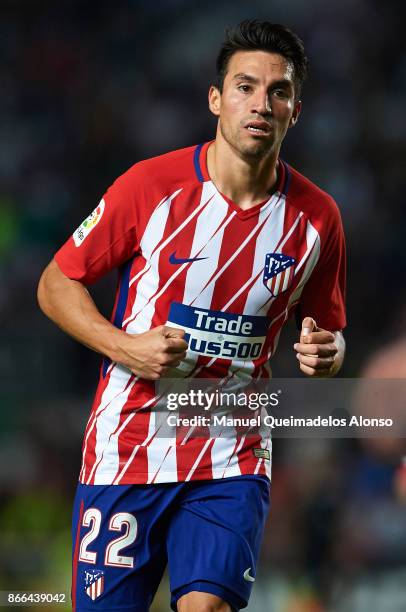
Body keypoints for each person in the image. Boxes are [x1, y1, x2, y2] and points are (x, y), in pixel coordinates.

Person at [37, 19, 346, 612]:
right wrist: (126, 347)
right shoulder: (151, 185)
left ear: (295, 110)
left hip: (232, 450)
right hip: (127, 443)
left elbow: (328, 338)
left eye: (277, 91)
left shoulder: (318, 218)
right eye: (245, 86)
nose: (261, 103)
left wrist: (328, 355)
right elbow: (56, 284)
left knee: (207, 607)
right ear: (216, 99)